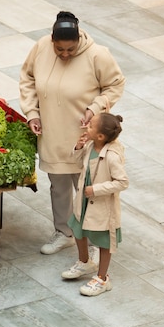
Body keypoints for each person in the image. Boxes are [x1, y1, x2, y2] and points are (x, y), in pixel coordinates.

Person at [19, 11, 126, 255]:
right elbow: (27, 78)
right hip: (52, 131)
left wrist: (95, 108)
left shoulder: (98, 54)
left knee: (89, 187)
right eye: (60, 50)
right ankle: (64, 232)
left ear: (78, 39)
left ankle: (96, 236)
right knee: (59, 185)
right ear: (52, 40)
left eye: (71, 49)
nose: (65, 54)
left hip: (85, 135)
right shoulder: (41, 47)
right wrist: (32, 113)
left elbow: (115, 84)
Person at [61, 112, 128, 296]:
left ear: (101, 136)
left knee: (104, 242)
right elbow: (77, 162)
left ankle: (102, 278)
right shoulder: (90, 145)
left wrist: (97, 189)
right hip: (84, 200)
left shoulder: (112, 156)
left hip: (102, 205)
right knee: (77, 228)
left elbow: (122, 182)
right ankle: (84, 261)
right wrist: (78, 146)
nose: (86, 127)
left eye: (90, 126)